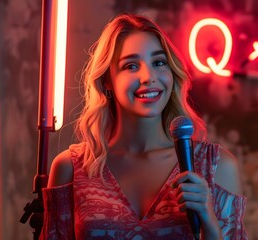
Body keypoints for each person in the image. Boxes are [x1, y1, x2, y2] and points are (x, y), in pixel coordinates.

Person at [41, 13, 247, 240]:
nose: (148, 76)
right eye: (131, 66)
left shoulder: (217, 167)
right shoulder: (70, 168)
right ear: (107, 80)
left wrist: (209, 222)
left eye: (159, 62)